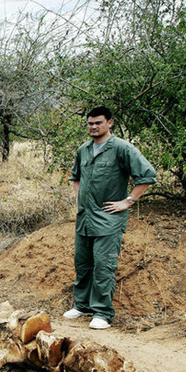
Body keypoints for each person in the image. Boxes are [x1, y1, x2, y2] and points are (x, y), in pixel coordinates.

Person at [63, 107, 156, 329]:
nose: (93, 127)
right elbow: (76, 176)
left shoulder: (122, 148)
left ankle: (102, 313)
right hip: (84, 218)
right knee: (83, 263)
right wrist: (79, 196)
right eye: (90, 123)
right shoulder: (84, 150)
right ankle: (82, 305)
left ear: (110, 123)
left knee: (104, 265)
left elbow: (147, 175)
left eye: (98, 122)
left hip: (108, 219)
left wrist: (129, 201)